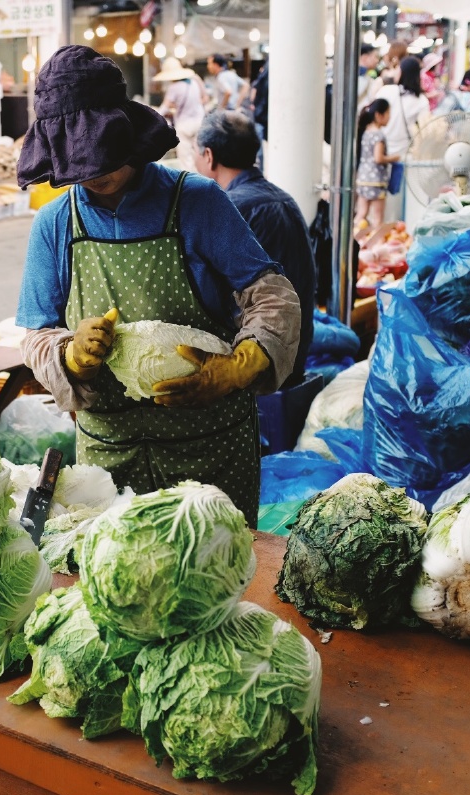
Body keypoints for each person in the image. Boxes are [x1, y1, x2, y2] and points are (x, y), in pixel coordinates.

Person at [15, 46, 301, 525]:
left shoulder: (197, 201)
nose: (95, 174)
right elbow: (37, 334)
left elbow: (273, 296)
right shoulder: (55, 224)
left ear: (126, 131)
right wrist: (68, 356)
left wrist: (240, 365)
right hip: (110, 462)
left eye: (102, 156)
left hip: (210, 452)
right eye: (79, 165)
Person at [195, 110, 314, 389]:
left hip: (256, 365)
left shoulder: (227, 208)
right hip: (297, 352)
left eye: (196, 152)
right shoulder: (284, 198)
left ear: (209, 156)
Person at [352, 99, 398, 234]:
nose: (390, 117)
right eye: (388, 113)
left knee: (361, 214)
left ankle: (355, 240)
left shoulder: (365, 132)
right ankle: (375, 247)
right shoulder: (378, 135)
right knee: (378, 218)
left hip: (363, 179)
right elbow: (378, 158)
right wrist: (394, 158)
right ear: (379, 115)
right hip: (376, 181)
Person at [154, 58, 208, 172]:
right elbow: (203, 98)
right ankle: (202, 180)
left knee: (186, 159)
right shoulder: (193, 83)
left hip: (184, 125)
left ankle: (190, 186)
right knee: (198, 155)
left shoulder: (174, 87)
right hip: (199, 122)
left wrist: (154, 116)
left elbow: (165, 107)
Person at [375, 56, 430, 159]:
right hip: (405, 154)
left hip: (382, 151)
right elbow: (424, 130)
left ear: (402, 72)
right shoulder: (421, 100)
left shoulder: (386, 91)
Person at [356, 43, 382, 110]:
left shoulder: (364, 74)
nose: (377, 60)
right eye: (375, 57)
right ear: (364, 57)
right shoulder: (359, 76)